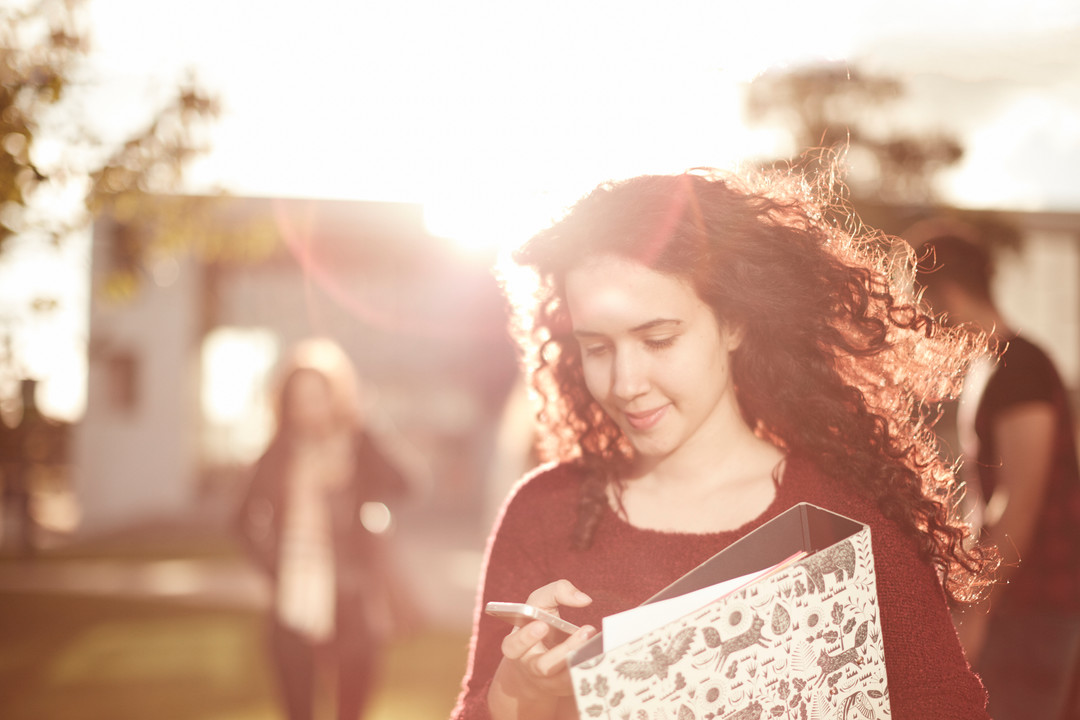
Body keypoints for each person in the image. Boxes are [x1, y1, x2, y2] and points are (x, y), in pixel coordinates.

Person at [450, 169, 998, 720]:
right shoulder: (543, 513)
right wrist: (518, 697)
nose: (624, 383)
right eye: (597, 348)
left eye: (657, 339)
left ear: (735, 323)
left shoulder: (851, 519)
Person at [913, 230, 1080, 720]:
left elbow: (1020, 506)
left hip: (1037, 607)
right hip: (1018, 602)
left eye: (924, 304)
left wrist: (979, 608)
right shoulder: (989, 367)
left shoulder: (1020, 368)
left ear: (948, 295)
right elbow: (987, 501)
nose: (921, 321)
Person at [235, 338, 410, 720]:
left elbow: (406, 484)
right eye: (299, 399)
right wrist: (276, 569)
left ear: (337, 397)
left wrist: (365, 428)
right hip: (293, 607)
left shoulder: (359, 446)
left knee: (352, 711)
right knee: (299, 712)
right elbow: (241, 521)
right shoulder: (279, 454)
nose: (310, 409)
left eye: (318, 396)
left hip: (355, 604)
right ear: (286, 404)